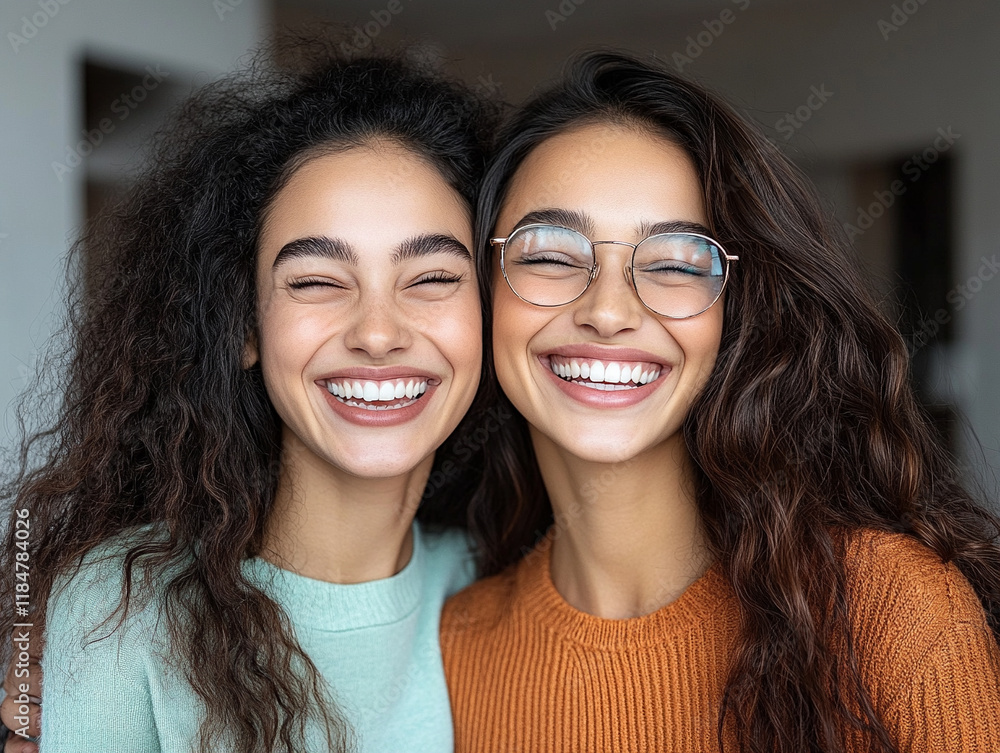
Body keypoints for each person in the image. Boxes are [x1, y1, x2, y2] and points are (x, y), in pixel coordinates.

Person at [441, 50, 1000, 753]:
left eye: (676, 262)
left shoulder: (892, 610)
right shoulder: (454, 652)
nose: (608, 311)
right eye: (550, 254)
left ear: (736, 309)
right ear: (483, 292)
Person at [0, 43, 497, 753]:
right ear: (243, 324)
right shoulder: (118, 606)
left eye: (433, 278)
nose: (380, 332)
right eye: (317, 280)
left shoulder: (485, 575)